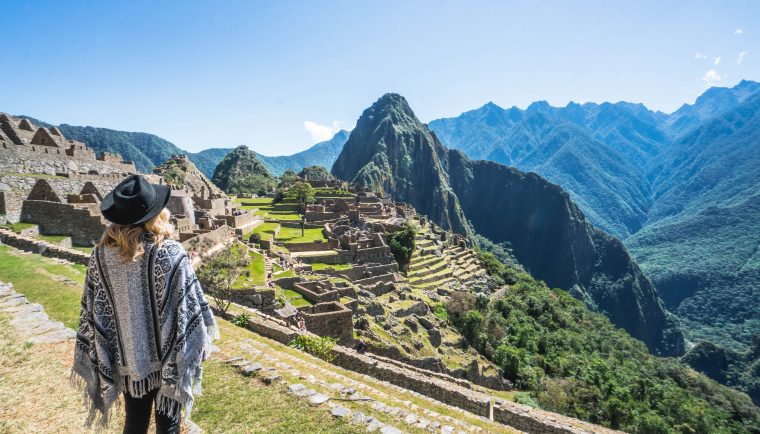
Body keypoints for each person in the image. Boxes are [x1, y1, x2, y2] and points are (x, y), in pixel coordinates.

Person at [71, 175, 218, 434]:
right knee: (169, 424)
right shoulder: (169, 253)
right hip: (169, 355)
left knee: (135, 421)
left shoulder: (100, 257)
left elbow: (93, 310)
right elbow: (189, 306)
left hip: (127, 357)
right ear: (156, 214)